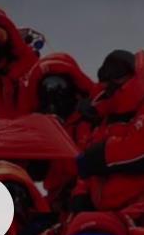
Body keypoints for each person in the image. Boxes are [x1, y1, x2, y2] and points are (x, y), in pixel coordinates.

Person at [72, 50, 144, 213]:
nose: (112, 82)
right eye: (106, 76)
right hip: (105, 211)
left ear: (136, 72)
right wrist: (80, 194)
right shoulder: (105, 119)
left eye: (118, 73)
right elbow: (86, 166)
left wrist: (100, 155)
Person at [17, 53, 100, 209]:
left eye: (59, 86)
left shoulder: (93, 119)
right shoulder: (40, 129)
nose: (53, 95)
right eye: (46, 89)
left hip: (92, 197)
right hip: (57, 200)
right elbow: (35, 173)